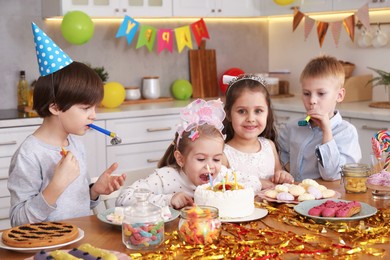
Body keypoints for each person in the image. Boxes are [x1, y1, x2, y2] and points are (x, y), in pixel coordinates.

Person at [8, 61, 126, 227]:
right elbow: (18, 221)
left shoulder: (75, 144)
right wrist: (56, 186)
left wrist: (94, 191)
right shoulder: (29, 155)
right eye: (85, 108)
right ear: (55, 108)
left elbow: (76, 207)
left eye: (95, 107)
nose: (94, 116)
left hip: (80, 238)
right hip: (47, 248)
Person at [116, 99, 261, 210]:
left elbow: (255, 182)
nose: (210, 166)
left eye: (217, 159)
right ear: (180, 158)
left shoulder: (222, 176)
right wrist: (169, 200)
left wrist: (229, 193)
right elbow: (123, 199)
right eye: (201, 159)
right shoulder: (165, 178)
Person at [278, 55, 362, 181]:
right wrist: (292, 173)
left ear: (339, 95)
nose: (312, 100)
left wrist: (326, 132)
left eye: (321, 93)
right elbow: (281, 150)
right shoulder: (292, 126)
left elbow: (332, 175)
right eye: (306, 93)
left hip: (327, 198)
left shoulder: (346, 133)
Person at [222, 74, 294, 190]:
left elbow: (278, 176)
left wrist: (283, 176)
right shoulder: (223, 154)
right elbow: (222, 189)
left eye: (258, 111)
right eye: (241, 111)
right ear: (229, 114)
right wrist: (257, 183)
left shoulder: (269, 146)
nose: (251, 118)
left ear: (267, 113)